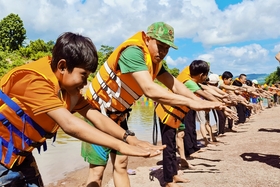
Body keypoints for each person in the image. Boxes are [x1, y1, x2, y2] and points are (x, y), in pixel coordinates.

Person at [0, 32, 165, 187]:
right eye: (84, 75)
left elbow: (96, 116)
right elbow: (69, 124)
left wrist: (130, 139)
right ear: (63, 66)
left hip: (18, 155)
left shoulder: (67, 91)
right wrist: (120, 146)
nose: (86, 83)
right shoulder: (34, 82)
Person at [82, 22, 224, 187]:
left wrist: (199, 101)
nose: (163, 52)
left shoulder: (155, 63)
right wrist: (191, 103)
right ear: (147, 39)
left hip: (120, 116)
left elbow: (174, 85)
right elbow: (149, 89)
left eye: (167, 48)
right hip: (98, 112)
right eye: (160, 46)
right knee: (97, 172)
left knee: (121, 164)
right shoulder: (133, 52)